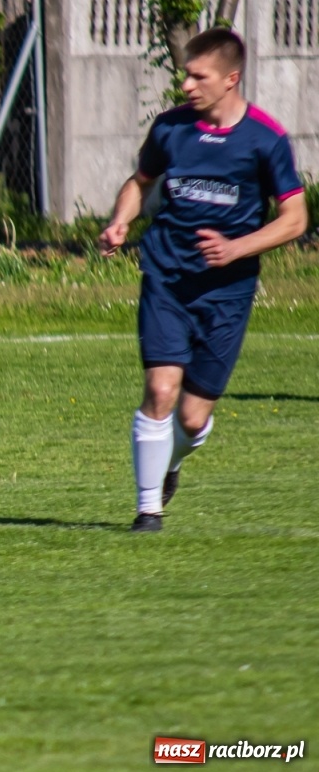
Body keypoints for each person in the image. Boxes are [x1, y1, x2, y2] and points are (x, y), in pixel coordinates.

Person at [99, 27, 306, 533]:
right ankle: (148, 511)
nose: (187, 85)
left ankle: (170, 464)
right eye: (185, 75)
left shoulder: (266, 138)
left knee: (191, 419)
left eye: (198, 76)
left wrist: (237, 248)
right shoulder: (170, 128)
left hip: (227, 293)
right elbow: (140, 183)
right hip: (167, 277)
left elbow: (295, 219)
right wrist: (122, 218)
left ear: (231, 79)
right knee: (161, 389)